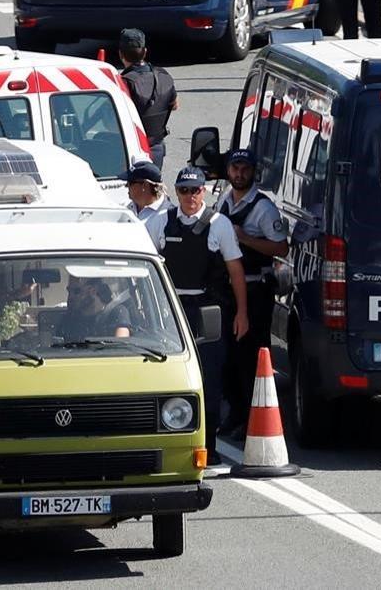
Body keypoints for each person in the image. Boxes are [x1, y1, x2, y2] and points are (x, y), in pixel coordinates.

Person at [145, 167, 249, 465]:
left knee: (210, 378)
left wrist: (242, 313)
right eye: (184, 191)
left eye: (196, 190)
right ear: (176, 193)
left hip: (209, 311)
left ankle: (209, 447)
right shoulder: (160, 222)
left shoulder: (219, 225)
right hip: (172, 311)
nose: (190, 197)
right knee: (169, 377)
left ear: (204, 191)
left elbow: (236, 272)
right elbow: (147, 269)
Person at [216, 149, 289, 440]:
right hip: (227, 289)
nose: (239, 174)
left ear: (253, 171)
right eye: (235, 168)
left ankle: (251, 418)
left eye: (245, 169)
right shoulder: (224, 199)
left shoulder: (263, 208)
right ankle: (234, 414)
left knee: (250, 357)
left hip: (255, 288)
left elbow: (281, 248)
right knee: (228, 358)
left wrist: (245, 238)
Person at [118, 28, 178, 170]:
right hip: (156, 147)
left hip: (132, 149)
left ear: (120, 54)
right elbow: (175, 104)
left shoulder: (123, 82)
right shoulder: (163, 76)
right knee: (153, 187)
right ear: (145, 52)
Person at [57, 277, 132, 341]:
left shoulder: (117, 313)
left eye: (77, 291)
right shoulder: (69, 320)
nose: (70, 297)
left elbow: (122, 346)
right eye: (69, 291)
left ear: (93, 291)